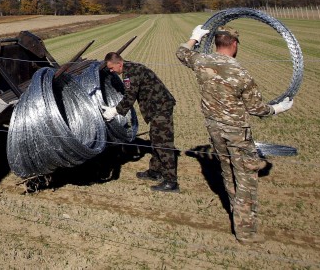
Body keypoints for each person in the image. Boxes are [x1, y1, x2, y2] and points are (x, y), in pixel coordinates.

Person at [176, 24, 294, 244]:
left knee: (228, 172)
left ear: (217, 42)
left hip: (214, 129)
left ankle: (235, 214)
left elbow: (182, 53)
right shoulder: (240, 72)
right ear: (234, 43)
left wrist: (193, 37)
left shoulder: (203, 61)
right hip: (237, 132)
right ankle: (246, 231)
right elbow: (257, 109)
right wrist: (277, 108)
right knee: (247, 178)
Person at [101, 52, 179, 192]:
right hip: (156, 108)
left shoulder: (130, 73)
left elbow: (129, 98)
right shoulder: (130, 68)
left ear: (119, 63)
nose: (112, 71)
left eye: (112, 68)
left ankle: (171, 182)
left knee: (163, 144)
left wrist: (114, 111)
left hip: (161, 108)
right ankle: (155, 171)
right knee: (156, 140)